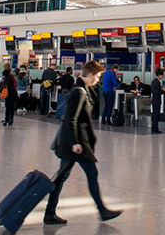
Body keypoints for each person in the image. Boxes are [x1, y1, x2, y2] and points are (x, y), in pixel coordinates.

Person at [44, 60, 121, 225]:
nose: (98, 79)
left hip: (75, 143)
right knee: (90, 175)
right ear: (91, 74)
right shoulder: (78, 92)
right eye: (98, 76)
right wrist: (75, 143)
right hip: (76, 144)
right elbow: (71, 119)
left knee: (61, 178)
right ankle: (102, 211)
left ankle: (49, 212)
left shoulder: (84, 90)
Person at [151, 68, 165, 134]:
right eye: (162, 75)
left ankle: (153, 128)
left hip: (153, 100)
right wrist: (163, 91)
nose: (162, 77)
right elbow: (158, 92)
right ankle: (155, 129)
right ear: (159, 75)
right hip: (157, 100)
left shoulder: (153, 81)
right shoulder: (158, 82)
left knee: (154, 115)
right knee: (156, 115)